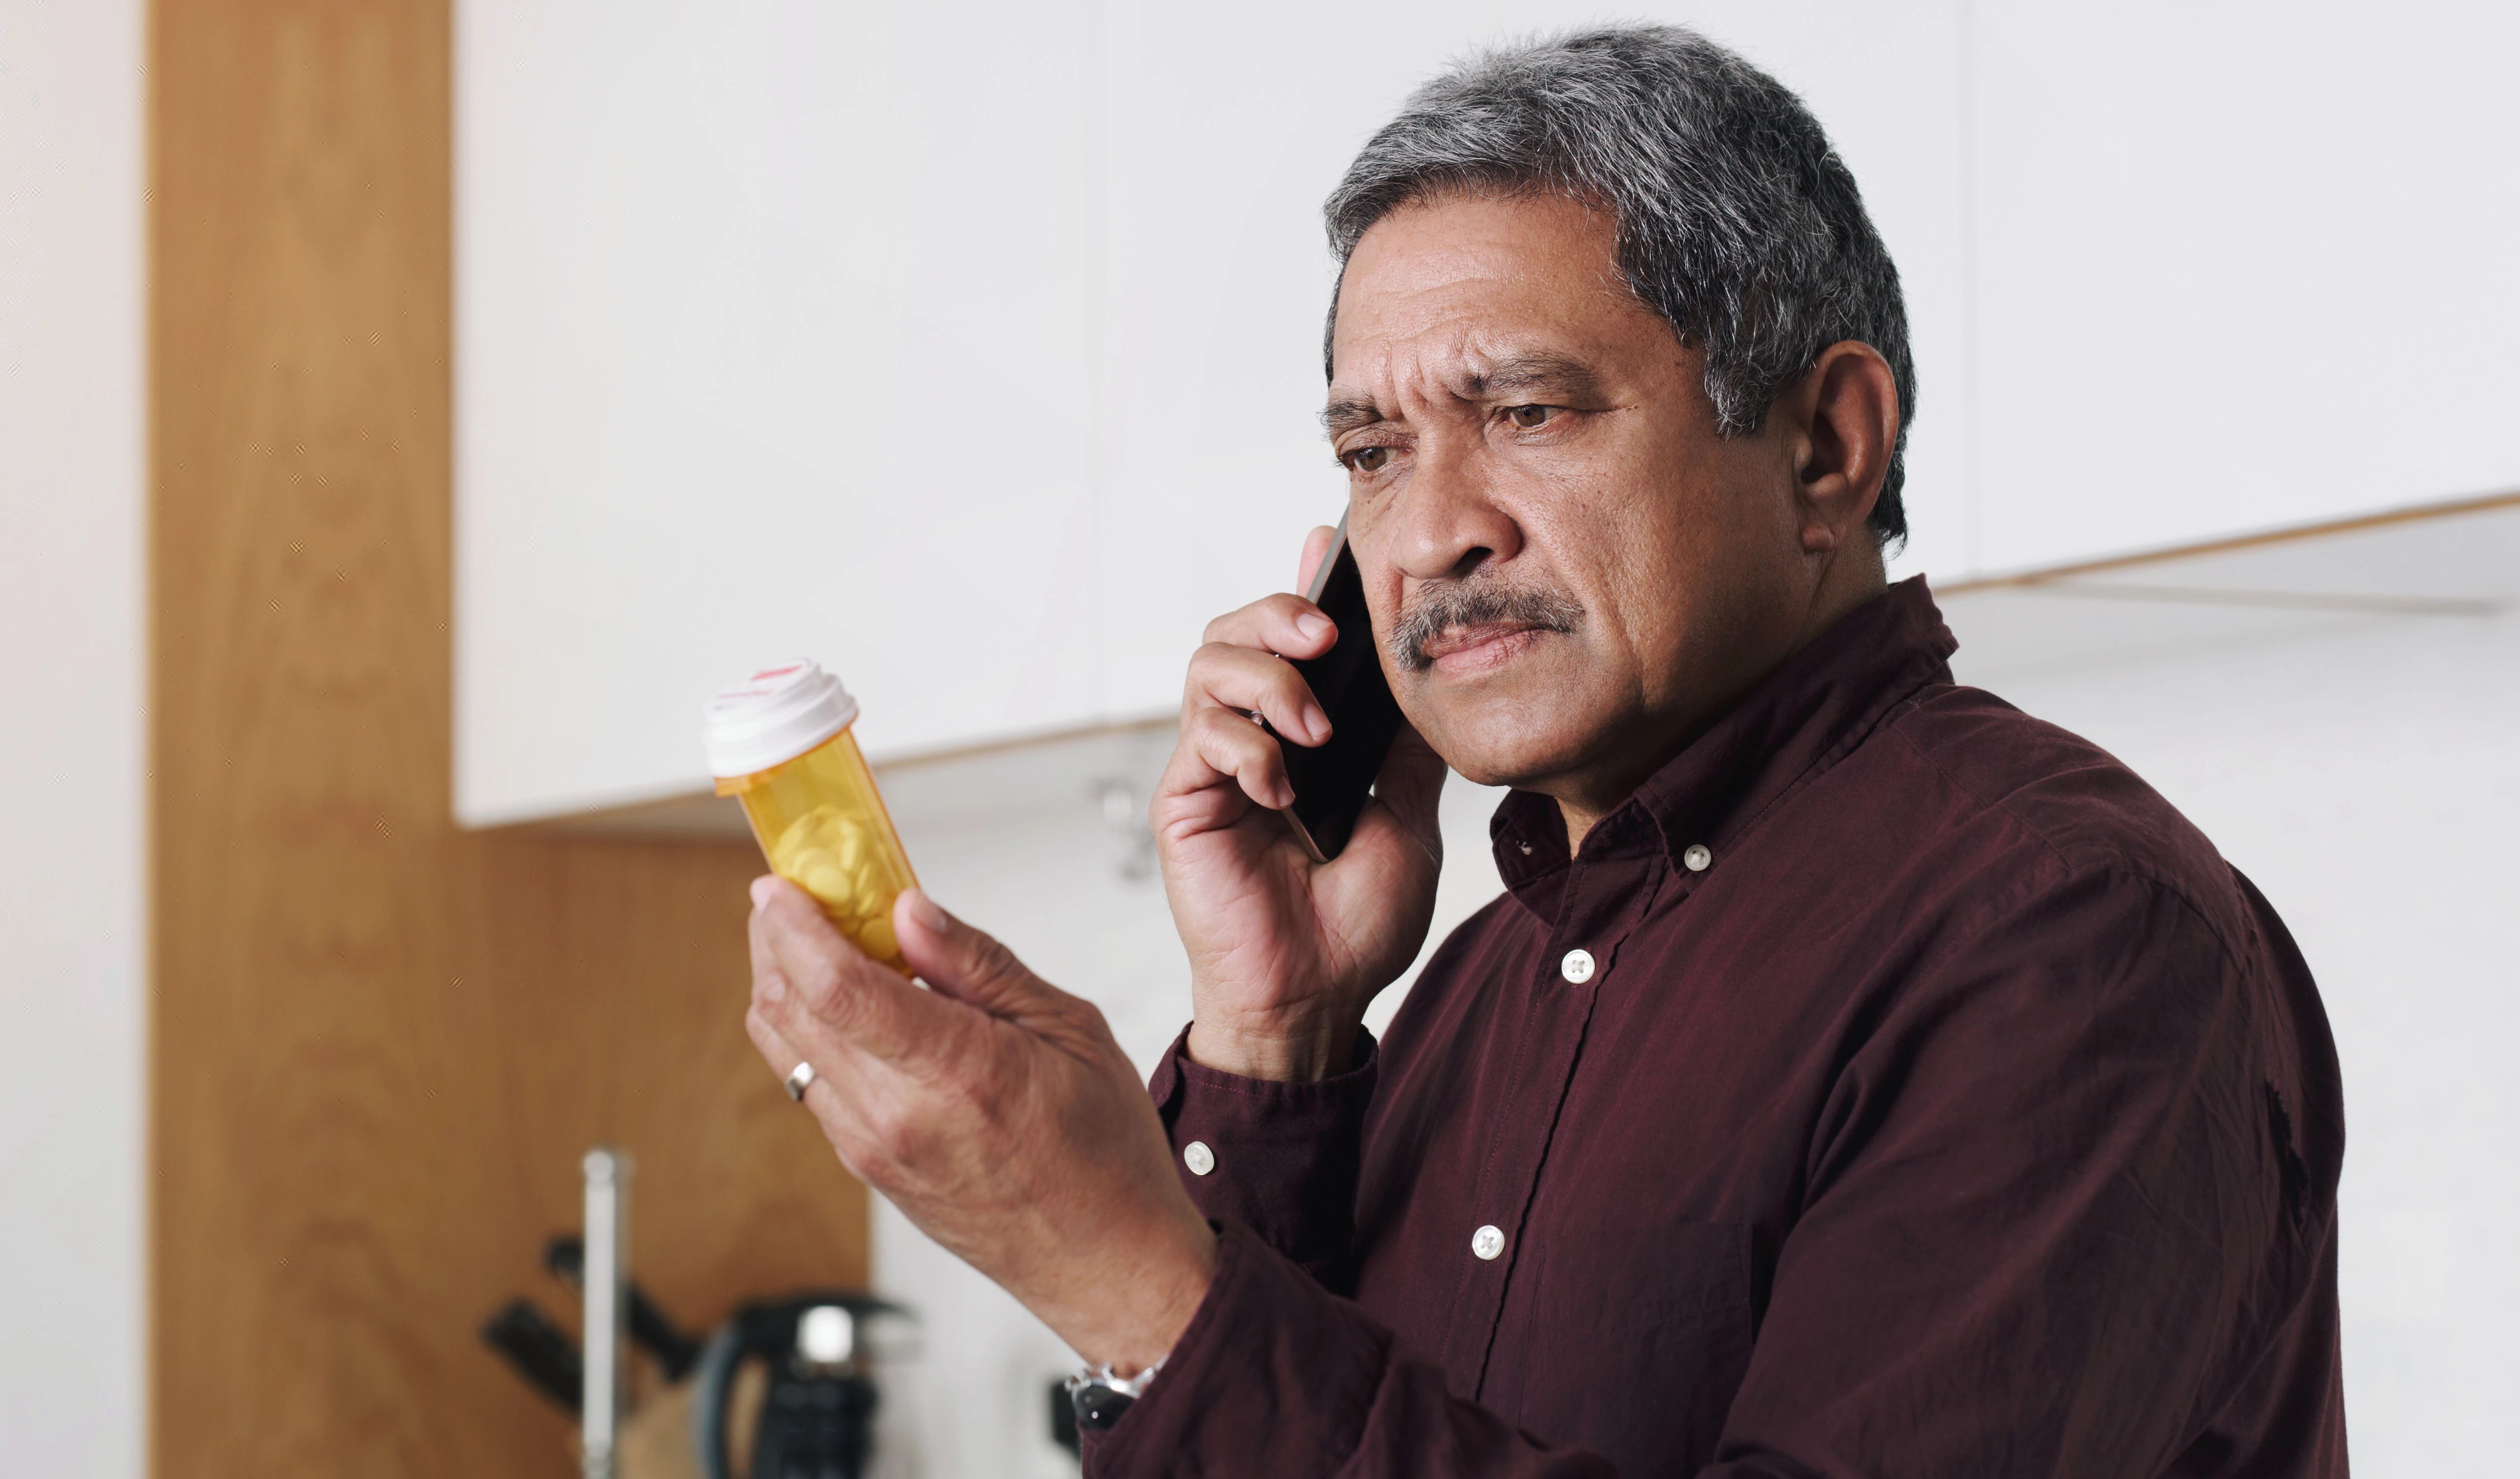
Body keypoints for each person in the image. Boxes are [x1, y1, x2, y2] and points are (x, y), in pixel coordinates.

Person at [741, 25, 2347, 1477]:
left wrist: (1124, 1273)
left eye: (1527, 413)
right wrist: (1273, 1039)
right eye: (1373, 451)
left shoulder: (2066, 934)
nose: (1429, 532)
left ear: (1825, 447)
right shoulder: (1476, 982)